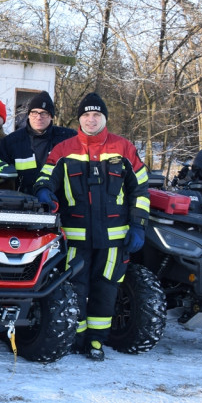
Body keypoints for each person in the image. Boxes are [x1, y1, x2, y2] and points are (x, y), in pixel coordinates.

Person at [33, 92, 149, 361]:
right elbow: (44, 178)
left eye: (96, 115)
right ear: (79, 120)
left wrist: (139, 225)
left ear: (104, 118)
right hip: (75, 237)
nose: (91, 119)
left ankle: (97, 340)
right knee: (76, 287)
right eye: (86, 115)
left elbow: (140, 191)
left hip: (114, 239)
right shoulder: (64, 149)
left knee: (106, 287)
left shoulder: (124, 149)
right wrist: (44, 193)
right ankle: (76, 336)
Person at [0, 91, 76, 194]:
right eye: (34, 112)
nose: (38, 117)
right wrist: (3, 169)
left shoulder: (66, 137)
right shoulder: (12, 141)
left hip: (58, 201)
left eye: (44, 113)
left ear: (51, 116)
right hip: (24, 201)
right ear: (29, 115)